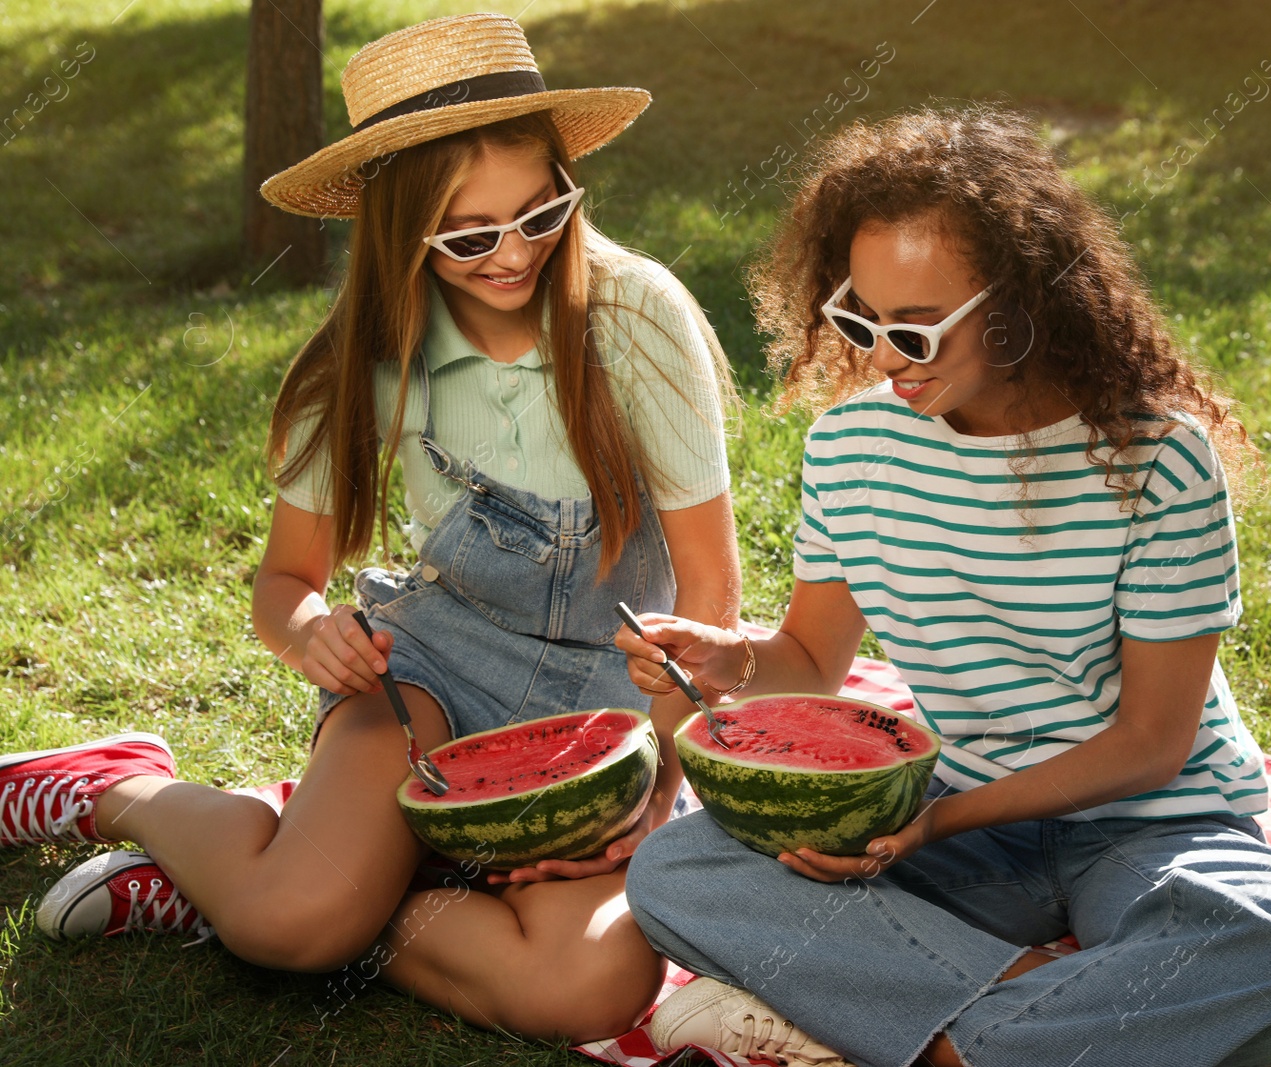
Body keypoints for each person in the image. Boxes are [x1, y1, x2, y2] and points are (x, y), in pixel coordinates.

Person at [0, 13, 739, 1042]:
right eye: (469, 234)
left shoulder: (638, 317)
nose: (514, 253)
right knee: (285, 922)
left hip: (607, 705)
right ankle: (125, 793)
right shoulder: (366, 360)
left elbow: (707, 592)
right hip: (429, 674)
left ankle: (275, 871)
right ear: (399, 229)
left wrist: (648, 795)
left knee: (583, 991)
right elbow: (285, 584)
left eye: (543, 212)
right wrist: (309, 632)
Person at [616, 105, 1271, 1067]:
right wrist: (728, 659)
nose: (885, 359)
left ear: (1020, 305)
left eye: (919, 332)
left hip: (1148, 824)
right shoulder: (853, 447)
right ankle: (1092, 1026)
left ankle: (917, 1031)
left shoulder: (1157, 462)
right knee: (682, 866)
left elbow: (1152, 741)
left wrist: (940, 817)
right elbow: (810, 658)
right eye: (862, 320)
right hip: (947, 824)